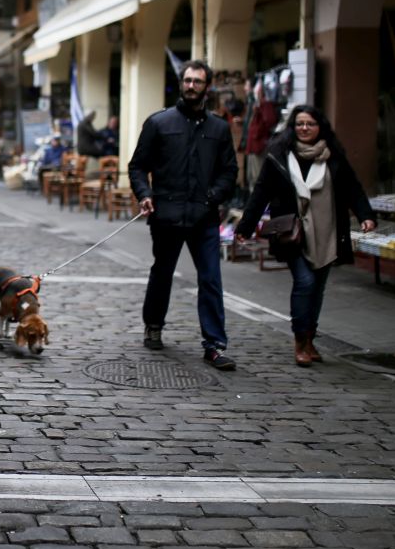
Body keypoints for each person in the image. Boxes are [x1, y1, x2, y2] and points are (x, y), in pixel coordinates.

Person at [234, 105, 376, 367]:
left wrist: (366, 215)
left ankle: (310, 338)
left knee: (318, 288)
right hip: (293, 234)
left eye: (310, 123)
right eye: (299, 124)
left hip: (327, 232)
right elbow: (261, 192)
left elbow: (352, 188)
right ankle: (300, 341)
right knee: (306, 282)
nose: (304, 128)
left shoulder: (333, 156)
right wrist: (245, 227)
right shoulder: (279, 156)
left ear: (319, 126)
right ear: (292, 127)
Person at [128, 60, 239, 371]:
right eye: (187, 80)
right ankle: (153, 324)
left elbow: (230, 171)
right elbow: (137, 166)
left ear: (207, 86)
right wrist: (145, 194)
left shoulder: (219, 128)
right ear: (181, 83)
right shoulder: (159, 123)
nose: (192, 86)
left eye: (198, 81)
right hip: (166, 216)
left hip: (204, 217)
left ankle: (215, 344)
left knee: (211, 279)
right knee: (162, 274)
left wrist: (213, 196)